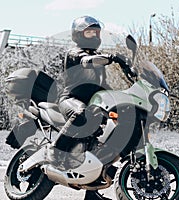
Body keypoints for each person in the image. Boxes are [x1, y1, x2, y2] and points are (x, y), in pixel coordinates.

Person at [49, 15, 131, 200]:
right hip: (71, 99)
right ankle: (55, 150)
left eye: (96, 32)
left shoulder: (97, 59)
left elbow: (103, 85)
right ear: (78, 35)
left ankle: (92, 193)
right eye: (89, 32)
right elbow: (87, 60)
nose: (93, 35)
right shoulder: (74, 53)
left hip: (95, 104)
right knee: (80, 114)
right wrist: (113, 57)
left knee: (104, 140)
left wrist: (123, 98)